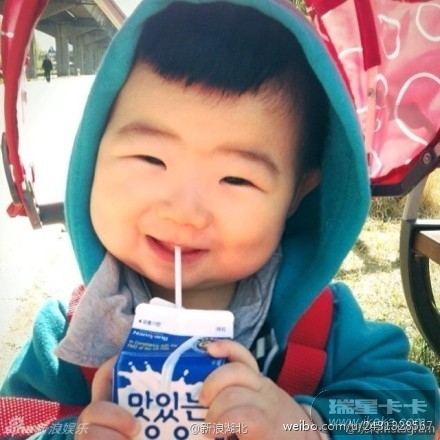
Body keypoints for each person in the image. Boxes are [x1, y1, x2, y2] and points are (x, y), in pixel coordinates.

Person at [1, 1, 439, 439]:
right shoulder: (64, 340)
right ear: (92, 156)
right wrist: (68, 434)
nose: (184, 211)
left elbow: (419, 412)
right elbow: (12, 421)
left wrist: (305, 426)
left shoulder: (324, 329)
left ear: (296, 195)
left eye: (235, 178)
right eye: (150, 159)